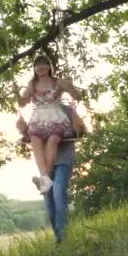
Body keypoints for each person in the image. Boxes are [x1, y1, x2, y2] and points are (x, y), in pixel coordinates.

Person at [15, 56, 83, 194]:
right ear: (34, 69)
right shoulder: (32, 84)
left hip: (56, 118)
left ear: (49, 66)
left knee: (52, 141)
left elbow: (78, 96)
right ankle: (45, 179)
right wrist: (16, 93)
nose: (40, 67)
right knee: (35, 141)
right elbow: (22, 103)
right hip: (38, 119)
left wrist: (71, 86)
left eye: (43, 64)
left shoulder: (58, 82)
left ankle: (44, 181)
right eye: (37, 65)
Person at [20, 103, 78, 244]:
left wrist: (72, 123)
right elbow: (30, 135)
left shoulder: (67, 110)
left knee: (58, 190)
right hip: (46, 165)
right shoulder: (38, 112)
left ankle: (63, 238)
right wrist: (24, 132)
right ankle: (59, 238)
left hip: (64, 159)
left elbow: (79, 131)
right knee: (49, 199)